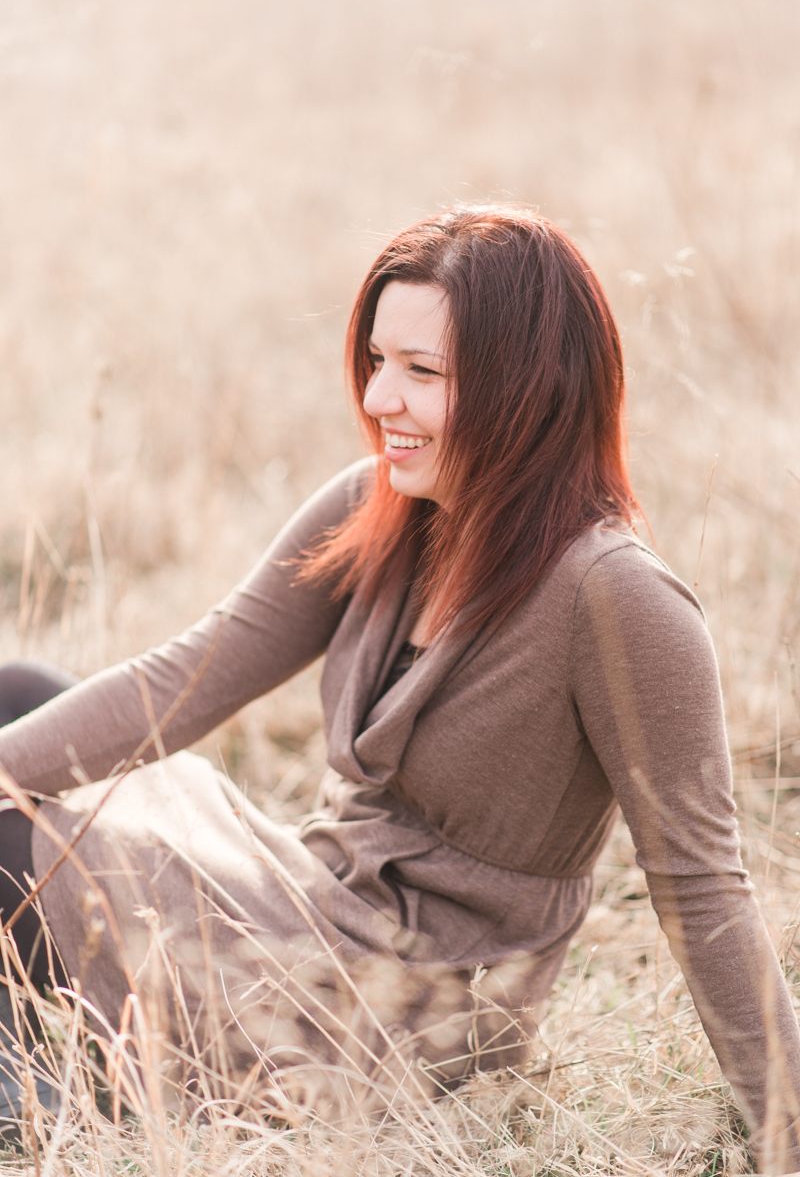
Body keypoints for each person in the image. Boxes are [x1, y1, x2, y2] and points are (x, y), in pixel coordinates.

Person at [0, 204, 798, 1168]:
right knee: (21, 696)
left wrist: (787, 1125)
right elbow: (189, 677)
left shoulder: (618, 599)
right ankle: (49, 1055)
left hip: (409, 1012)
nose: (380, 397)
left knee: (13, 827)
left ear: (529, 392)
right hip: (306, 895)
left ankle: (49, 1067)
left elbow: (704, 891)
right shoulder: (380, 502)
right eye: (378, 360)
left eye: (424, 373)